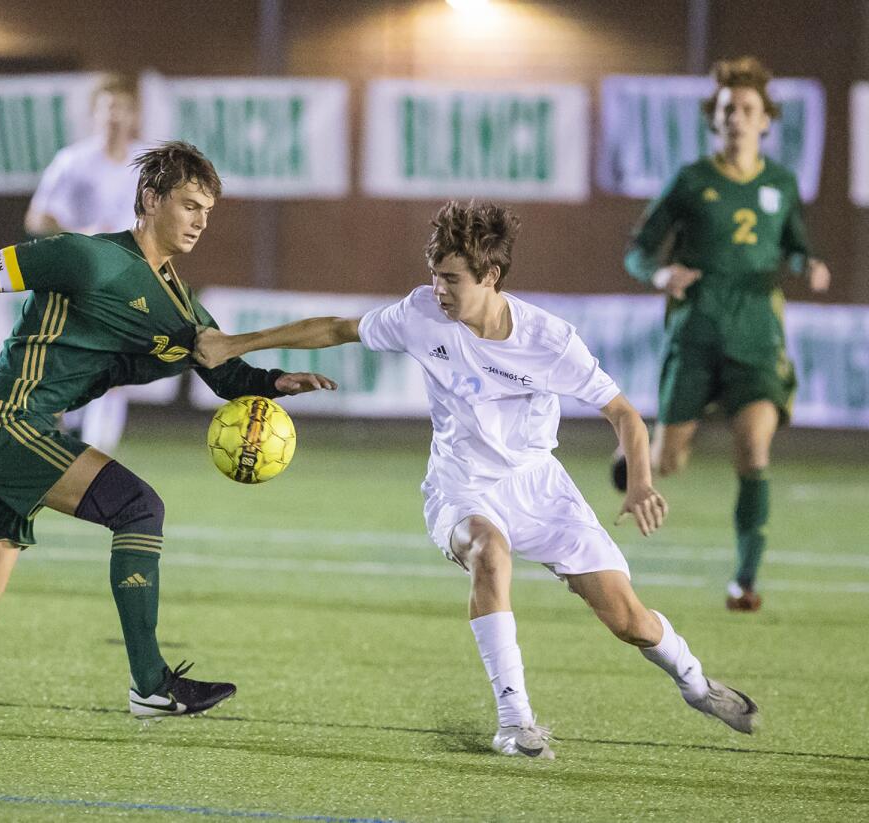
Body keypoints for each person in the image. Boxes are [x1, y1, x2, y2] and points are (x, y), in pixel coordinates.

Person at [0, 141, 335, 726]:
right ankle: (150, 684)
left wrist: (275, 381)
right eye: (190, 205)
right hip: (5, 418)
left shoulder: (179, 300)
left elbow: (221, 369)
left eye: (208, 211)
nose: (201, 221)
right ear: (150, 199)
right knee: (138, 507)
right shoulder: (87, 258)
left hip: (1, 429)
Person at [193, 201, 760, 759]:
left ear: (491, 276)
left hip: (540, 488)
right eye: (433, 275)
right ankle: (516, 723)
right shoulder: (422, 314)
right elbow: (338, 328)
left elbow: (625, 415)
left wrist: (639, 484)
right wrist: (234, 345)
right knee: (490, 551)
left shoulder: (549, 340)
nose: (438, 289)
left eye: (451, 279)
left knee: (630, 621)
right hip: (460, 485)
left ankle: (695, 684)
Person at [612, 57, 831, 612]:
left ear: (765, 121)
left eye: (748, 109)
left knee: (754, 452)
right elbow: (638, 251)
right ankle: (637, 456)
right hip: (697, 333)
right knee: (670, 463)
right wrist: (661, 273)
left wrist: (810, 264)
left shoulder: (781, 183)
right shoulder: (691, 181)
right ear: (717, 118)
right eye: (728, 109)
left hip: (756, 337)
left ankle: (744, 581)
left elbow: (796, 245)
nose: (737, 117)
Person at [25, 73, 143, 454]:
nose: (114, 116)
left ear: (134, 115)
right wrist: (82, 231)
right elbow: (37, 218)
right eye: (107, 107)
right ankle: (69, 431)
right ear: (94, 114)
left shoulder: (148, 166)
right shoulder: (73, 161)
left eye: (122, 108)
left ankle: (96, 450)